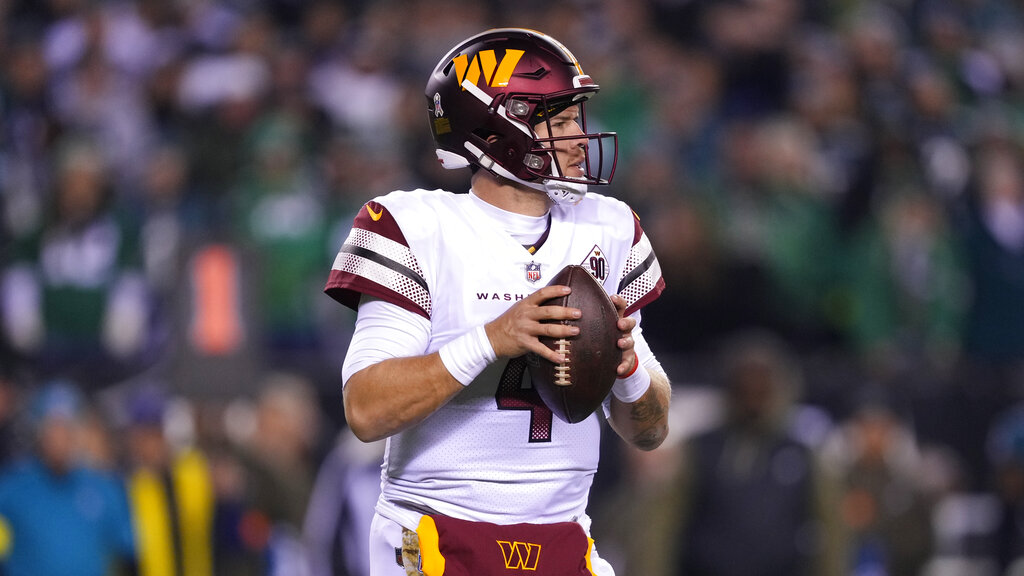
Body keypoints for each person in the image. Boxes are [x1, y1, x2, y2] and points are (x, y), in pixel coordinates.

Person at [323, 28, 671, 576]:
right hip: (436, 533)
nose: (581, 137)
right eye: (559, 122)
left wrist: (626, 370)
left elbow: (649, 431)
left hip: (564, 536)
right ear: (496, 131)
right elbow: (365, 411)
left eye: (577, 118)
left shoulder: (609, 228)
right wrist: (490, 339)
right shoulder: (416, 226)